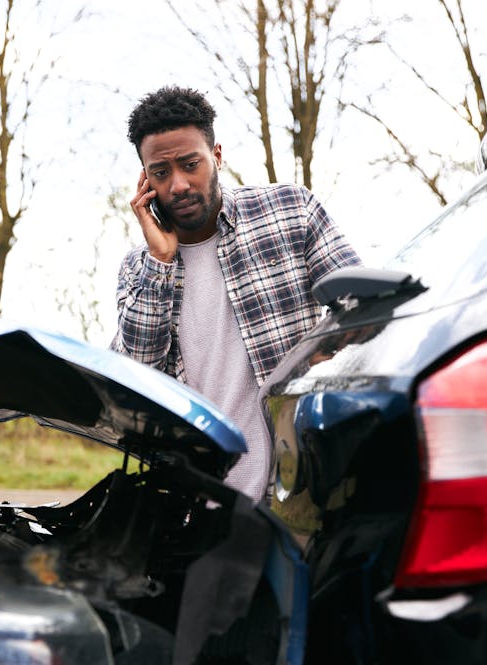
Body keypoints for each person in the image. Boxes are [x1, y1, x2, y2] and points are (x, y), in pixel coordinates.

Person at [111, 86, 360, 501]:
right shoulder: (140, 268)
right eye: (160, 172)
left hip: (303, 490)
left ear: (217, 156)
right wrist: (160, 262)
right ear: (145, 180)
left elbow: (361, 310)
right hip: (200, 504)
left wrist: (324, 360)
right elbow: (136, 378)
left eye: (191, 164)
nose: (178, 185)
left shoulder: (289, 211)